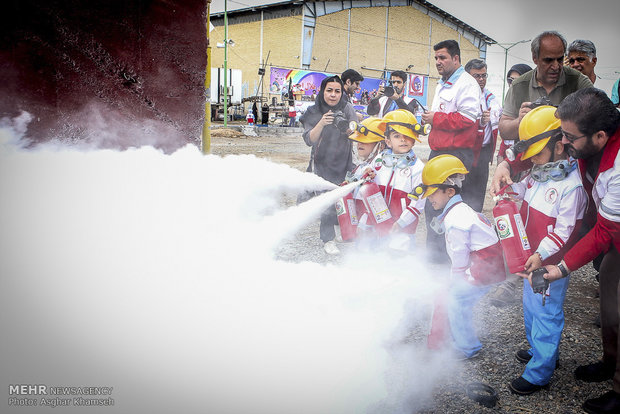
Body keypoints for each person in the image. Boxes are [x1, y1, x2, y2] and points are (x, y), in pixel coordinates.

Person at [531, 88, 620, 414]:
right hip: (614, 238)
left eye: (569, 137)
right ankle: (610, 363)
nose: (563, 143)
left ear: (600, 135)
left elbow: (603, 232)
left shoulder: (618, 167)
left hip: (615, 233)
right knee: (610, 305)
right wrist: (505, 163)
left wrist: (560, 268)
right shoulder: (588, 143)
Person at [489, 31, 592, 306]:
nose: (556, 66)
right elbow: (504, 126)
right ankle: (519, 271)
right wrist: (521, 123)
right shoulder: (520, 85)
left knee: (563, 220)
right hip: (535, 159)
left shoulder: (577, 82)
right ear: (534, 58)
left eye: (561, 59)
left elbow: (595, 117)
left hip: (565, 163)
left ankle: (553, 268)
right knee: (527, 215)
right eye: (548, 60)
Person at [501, 106, 587, 395]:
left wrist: (540, 253)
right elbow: (523, 192)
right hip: (532, 260)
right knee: (531, 308)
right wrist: (509, 190)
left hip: (549, 265)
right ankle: (542, 351)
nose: (532, 159)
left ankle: (540, 372)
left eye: (537, 152)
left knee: (547, 313)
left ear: (560, 146)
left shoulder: (571, 187)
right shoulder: (541, 172)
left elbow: (565, 231)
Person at [416, 154, 505, 359]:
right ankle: (457, 338)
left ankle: (467, 347)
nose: (430, 199)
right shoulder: (458, 209)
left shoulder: (455, 218)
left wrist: (455, 281)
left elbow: (459, 255)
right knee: (456, 297)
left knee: (456, 299)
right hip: (486, 265)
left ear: (449, 191)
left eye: (433, 194)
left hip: (484, 268)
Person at [420, 39, 481, 264]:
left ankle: (444, 263)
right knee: (432, 206)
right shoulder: (443, 83)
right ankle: (434, 259)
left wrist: (436, 118)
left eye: (443, 57)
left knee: (443, 207)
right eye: (436, 58)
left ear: (456, 59)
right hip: (440, 154)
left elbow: (467, 118)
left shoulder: (466, 83)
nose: (438, 62)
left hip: (454, 156)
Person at [300, 75, 357, 255]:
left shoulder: (347, 108)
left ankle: (343, 231)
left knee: (343, 198)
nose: (333, 95)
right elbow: (309, 139)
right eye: (329, 90)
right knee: (326, 200)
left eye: (337, 91)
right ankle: (328, 239)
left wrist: (349, 128)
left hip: (344, 161)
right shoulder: (313, 111)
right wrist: (322, 123)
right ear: (322, 91)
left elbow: (356, 133)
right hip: (322, 163)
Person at [360, 109, 427, 252]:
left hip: (402, 229)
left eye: (407, 136)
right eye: (397, 136)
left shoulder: (418, 168)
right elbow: (366, 184)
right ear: (388, 141)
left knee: (399, 262)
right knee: (372, 257)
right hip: (376, 223)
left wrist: (401, 223)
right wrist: (366, 175)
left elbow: (419, 203)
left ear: (414, 140)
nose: (403, 139)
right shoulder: (378, 160)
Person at [464, 58, 502, 212]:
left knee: (479, 190)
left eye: (483, 76)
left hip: (484, 152)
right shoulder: (463, 96)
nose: (481, 79)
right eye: (476, 76)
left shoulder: (490, 98)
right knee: (463, 190)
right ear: (467, 77)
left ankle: (475, 219)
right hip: (466, 151)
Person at [497, 63, 533, 164]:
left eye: (518, 80)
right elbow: (505, 135)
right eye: (510, 80)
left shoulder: (532, 103)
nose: (513, 84)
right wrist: (501, 155)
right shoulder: (510, 102)